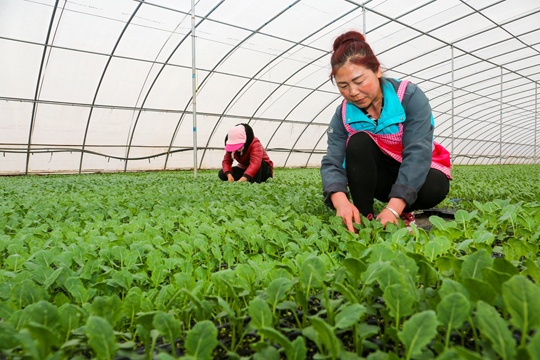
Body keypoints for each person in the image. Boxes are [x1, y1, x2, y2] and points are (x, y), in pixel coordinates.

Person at [320, 31, 452, 232]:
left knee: (436, 185)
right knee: (359, 141)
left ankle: (400, 209)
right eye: (343, 86)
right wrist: (341, 202)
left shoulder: (409, 96)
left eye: (359, 81)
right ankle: (363, 218)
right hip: (381, 179)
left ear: (377, 71)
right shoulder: (343, 114)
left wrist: (393, 208)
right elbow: (332, 162)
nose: (353, 92)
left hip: (418, 177)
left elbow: (417, 152)